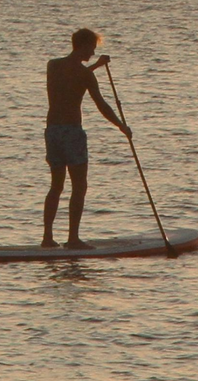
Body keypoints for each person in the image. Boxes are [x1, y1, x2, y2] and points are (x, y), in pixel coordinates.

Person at [42, 28, 132, 249]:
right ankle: (73, 238)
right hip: (72, 132)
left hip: (52, 131)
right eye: (91, 48)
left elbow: (73, 77)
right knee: (79, 186)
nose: (92, 52)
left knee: (56, 186)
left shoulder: (53, 66)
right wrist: (121, 126)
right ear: (82, 45)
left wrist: (94, 67)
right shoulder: (85, 75)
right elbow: (101, 105)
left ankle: (47, 238)